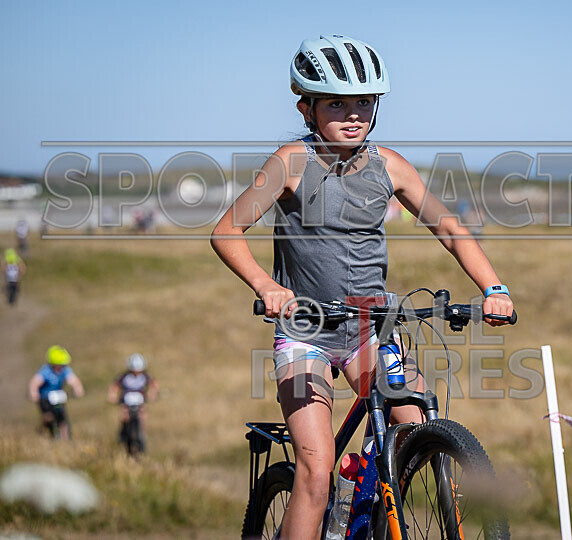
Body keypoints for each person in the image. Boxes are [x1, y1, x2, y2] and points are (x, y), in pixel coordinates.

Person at [210, 35, 514, 539]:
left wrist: (493, 288)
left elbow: (451, 229)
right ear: (306, 108)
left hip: (370, 328)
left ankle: (366, 501)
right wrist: (267, 286)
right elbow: (226, 231)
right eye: (336, 103)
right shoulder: (291, 163)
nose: (353, 115)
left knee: (417, 426)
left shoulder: (388, 166)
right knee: (316, 467)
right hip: (305, 331)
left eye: (364, 103)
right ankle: (332, 496)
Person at [28, 346, 84, 440]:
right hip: (45, 398)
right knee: (49, 417)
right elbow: (34, 382)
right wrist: (34, 393)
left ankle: (65, 440)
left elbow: (74, 381)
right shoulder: (46, 371)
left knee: (62, 419)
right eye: (60, 365)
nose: (61, 367)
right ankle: (44, 427)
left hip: (58, 398)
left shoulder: (65, 371)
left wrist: (78, 389)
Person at [107, 353, 159, 452]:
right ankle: (122, 435)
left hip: (140, 402)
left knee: (142, 415)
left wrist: (151, 394)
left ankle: (142, 435)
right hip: (126, 402)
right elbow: (114, 386)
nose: (136, 373)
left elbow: (154, 385)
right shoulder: (124, 376)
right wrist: (112, 396)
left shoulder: (145, 376)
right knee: (124, 415)